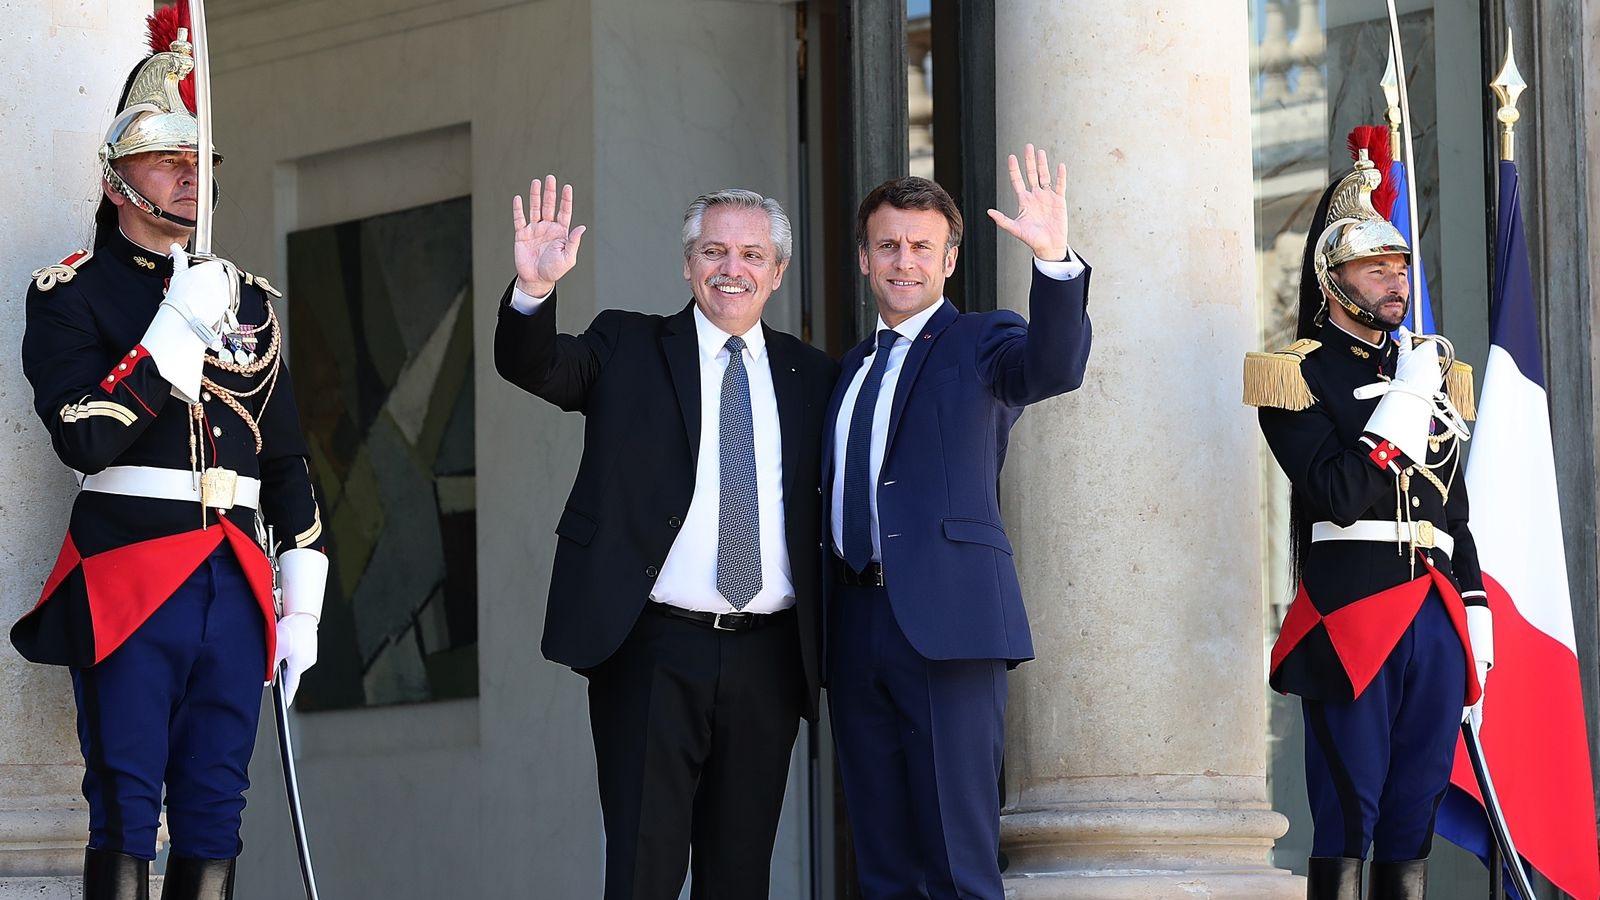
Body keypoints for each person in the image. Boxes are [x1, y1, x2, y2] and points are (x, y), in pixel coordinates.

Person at [12, 8, 327, 898]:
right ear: (118, 181)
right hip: (129, 570)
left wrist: (300, 603)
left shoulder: (249, 299)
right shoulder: (70, 294)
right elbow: (82, 434)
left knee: (215, 809)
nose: (192, 176)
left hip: (233, 577)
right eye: (169, 160)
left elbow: (288, 460)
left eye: (202, 162)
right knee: (123, 801)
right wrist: (172, 333)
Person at [494, 178, 837, 898]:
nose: (730, 268)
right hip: (651, 649)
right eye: (713, 251)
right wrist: (532, 290)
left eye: (751, 254)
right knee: (644, 872)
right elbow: (537, 366)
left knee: (739, 877)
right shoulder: (626, 344)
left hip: (769, 658)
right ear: (687, 265)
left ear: (777, 273)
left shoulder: (814, 376)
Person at [822, 147, 1092, 898]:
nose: (903, 261)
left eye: (921, 246)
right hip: (855, 629)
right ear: (864, 259)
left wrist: (1055, 260)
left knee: (956, 863)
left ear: (948, 259)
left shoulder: (981, 342)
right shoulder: (848, 369)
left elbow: (1054, 366)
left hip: (949, 628)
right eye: (888, 245)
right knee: (881, 866)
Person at [1244, 141, 1490, 900]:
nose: (1397, 281)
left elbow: (1455, 510)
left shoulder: (1431, 366)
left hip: (1436, 612)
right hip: (1353, 611)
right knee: (1352, 811)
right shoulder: (1298, 373)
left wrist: (1476, 613)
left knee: (1413, 814)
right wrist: (1406, 402)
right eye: (1377, 268)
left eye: (1401, 267)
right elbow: (1338, 493)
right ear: (1335, 279)